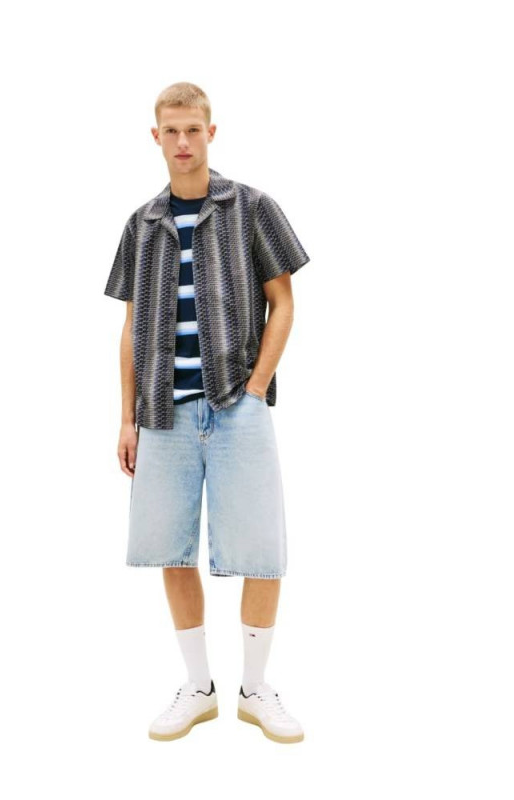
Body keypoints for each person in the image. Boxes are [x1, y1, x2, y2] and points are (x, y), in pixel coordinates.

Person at [104, 82, 311, 744]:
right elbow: (132, 327)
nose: (183, 141)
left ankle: (255, 689)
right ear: (156, 137)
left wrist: (256, 386)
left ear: (211, 133)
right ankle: (198, 687)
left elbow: (284, 301)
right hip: (163, 412)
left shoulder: (252, 208)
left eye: (194, 129)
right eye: (172, 131)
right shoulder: (142, 224)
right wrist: (127, 416)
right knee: (171, 547)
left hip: (235, 404)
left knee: (261, 549)